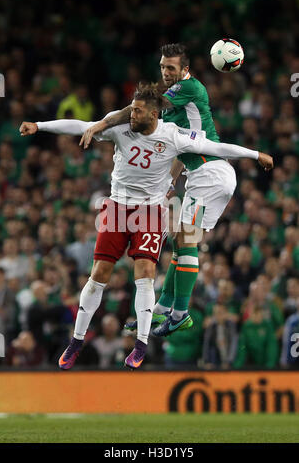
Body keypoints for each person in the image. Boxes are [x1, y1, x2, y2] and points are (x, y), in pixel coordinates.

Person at [20, 82, 273, 370]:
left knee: (146, 273)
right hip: (117, 207)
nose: (131, 114)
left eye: (137, 110)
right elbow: (81, 125)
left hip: (150, 211)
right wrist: (39, 126)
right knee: (99, 273)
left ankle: (140, 345)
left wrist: (255, 155)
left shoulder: (174, 136)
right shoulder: (119, 125)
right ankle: (76, 340)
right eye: (131, 108)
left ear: (153, 115)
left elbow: (214, 146)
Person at [79, 43, 272, 338]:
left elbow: (139, 108)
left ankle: (180, 314)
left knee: (186, 237)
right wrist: (169, 184)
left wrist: (100, 124)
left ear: (185, 70)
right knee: (178, 238)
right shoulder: (171, 115)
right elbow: (179, 154)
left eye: (171, 68)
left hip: (209, 171)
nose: (166, 72)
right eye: (162, 67)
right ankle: (162, 308)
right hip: (204, 173)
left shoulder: (188, 89)